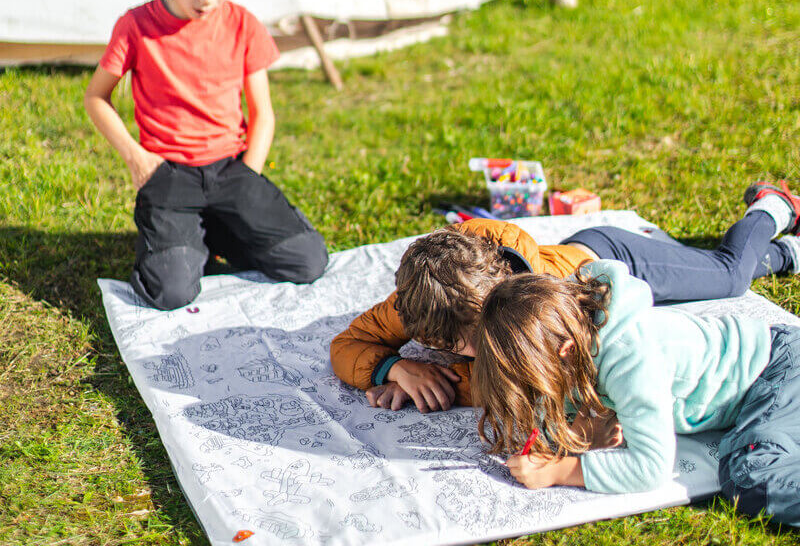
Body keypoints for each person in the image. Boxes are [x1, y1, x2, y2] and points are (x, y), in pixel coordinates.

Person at [331, 183, 800, 412]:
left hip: (615, 258)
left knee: (729, 276)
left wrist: (442, 382)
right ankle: (783, 256)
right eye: (458, 348)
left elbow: (525, 380)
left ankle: (770, 206)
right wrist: (396, 368)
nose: (478, 353)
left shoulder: (544, 303)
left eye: (481, 335)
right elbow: (346, 344)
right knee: (721, 272)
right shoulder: (416, 305)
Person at [84, 0, 327, 310]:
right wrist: (137, 159)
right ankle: (183, 237)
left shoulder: (244, 24)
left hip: (231, 169)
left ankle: (207, 229)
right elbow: (95, 98)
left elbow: (263, 113)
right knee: (171, 292)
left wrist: (249, 174)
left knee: (308, 261)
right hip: (168, 174)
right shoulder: (136, 25)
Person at [471, 259, 800, 527]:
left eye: (532, 381)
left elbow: (651, 468)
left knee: (751, 477)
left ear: (565, 351)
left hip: (775, 373)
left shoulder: (630, 358)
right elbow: (547, 410)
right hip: (771, 371)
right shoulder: (561, 324)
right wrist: (575, 437)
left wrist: (559, 472)